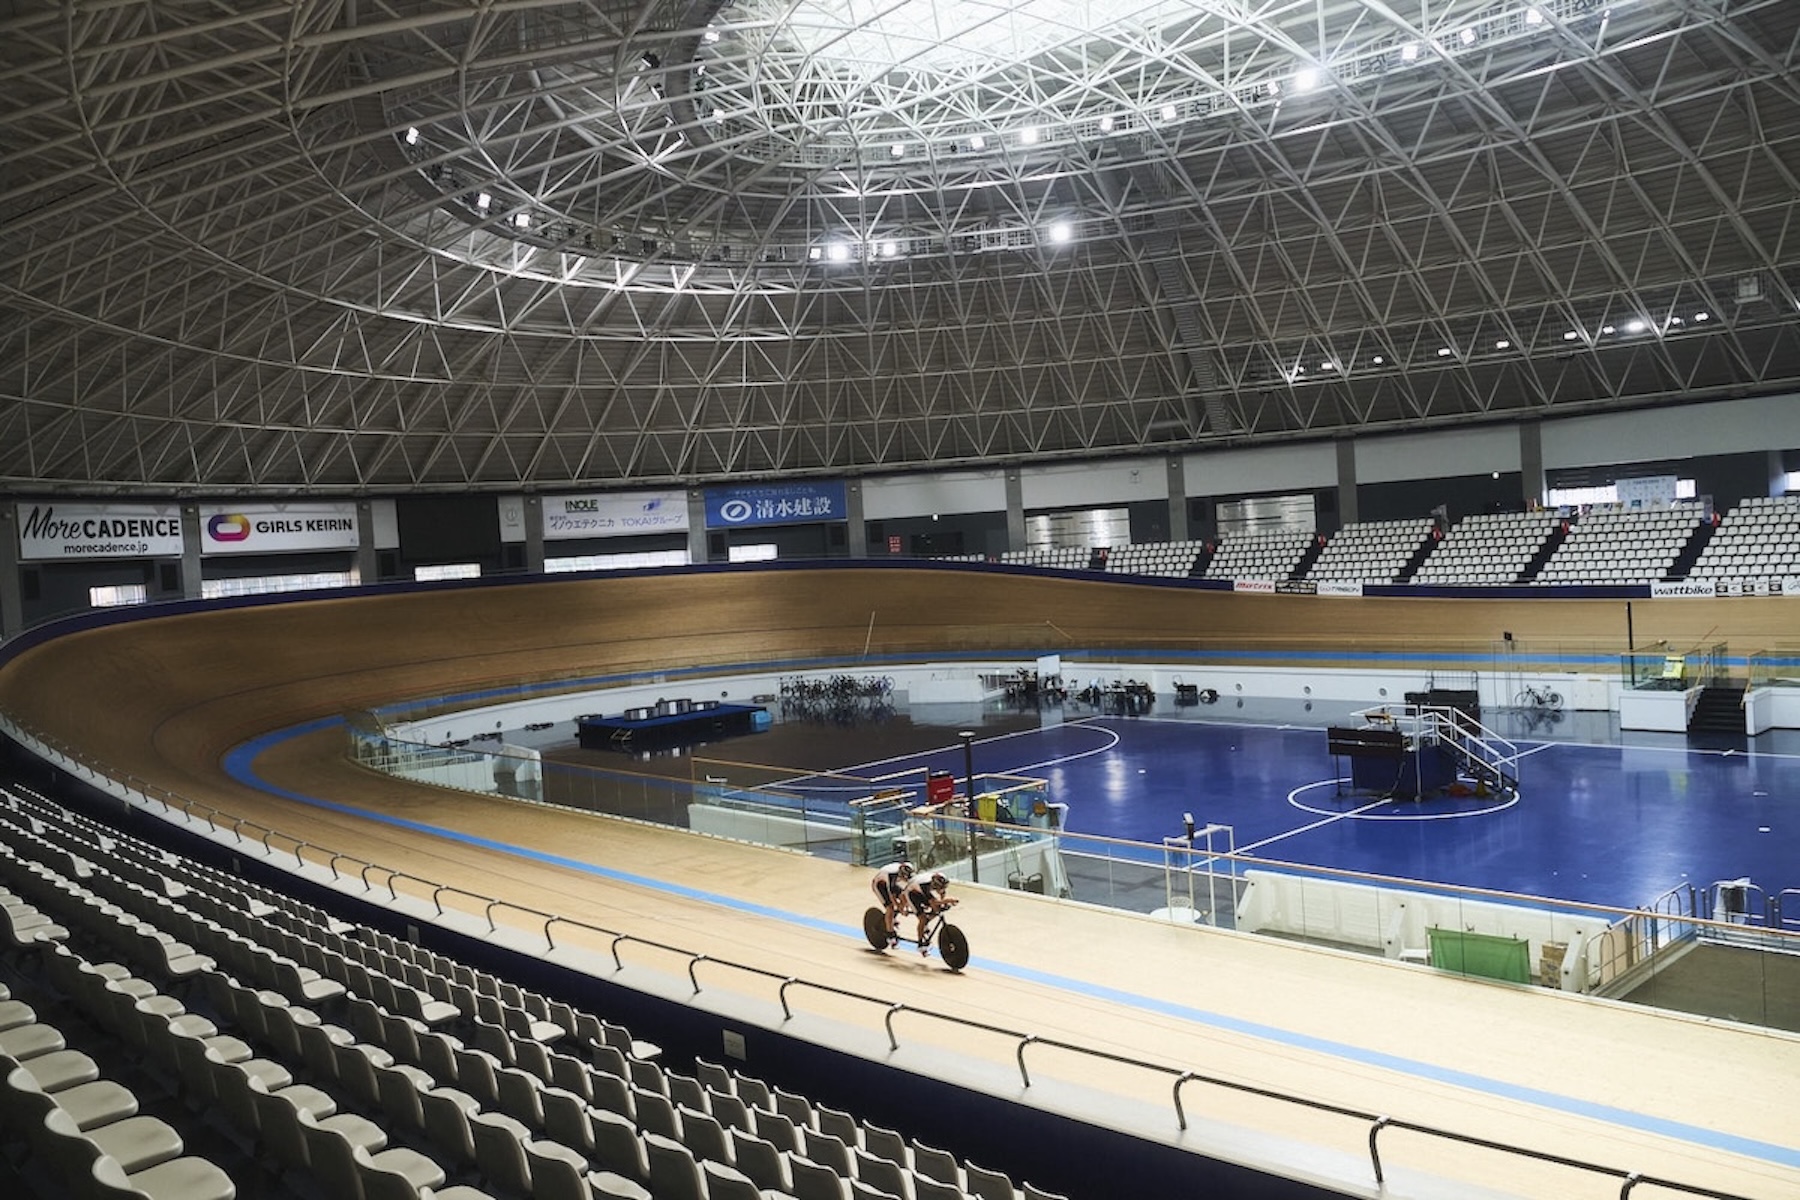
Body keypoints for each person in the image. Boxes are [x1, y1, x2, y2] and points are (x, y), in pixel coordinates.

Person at [902, 869, 957, 956]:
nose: (942, 889)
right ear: (935, 885)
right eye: (940, 888)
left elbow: (941, 895)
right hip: (911, 894)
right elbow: (934, 902)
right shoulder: (925, 886)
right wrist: (948, 900)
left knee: (937, 909)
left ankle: (925, 924)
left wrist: (943, 902)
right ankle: (920, 944)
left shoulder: (938, 883)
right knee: (922, 919)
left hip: (918, 889)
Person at [870, 860, 914, 945]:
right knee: (890, 908)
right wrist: (899, 907)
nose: (905, 879)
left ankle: (892, 918)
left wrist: (905, 906)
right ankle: (890, 935)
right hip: (879, 885)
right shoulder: (892, 874)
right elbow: (891, 895)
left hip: (888, 884)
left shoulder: (903, 871)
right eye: (904, 877)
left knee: (903, 896)